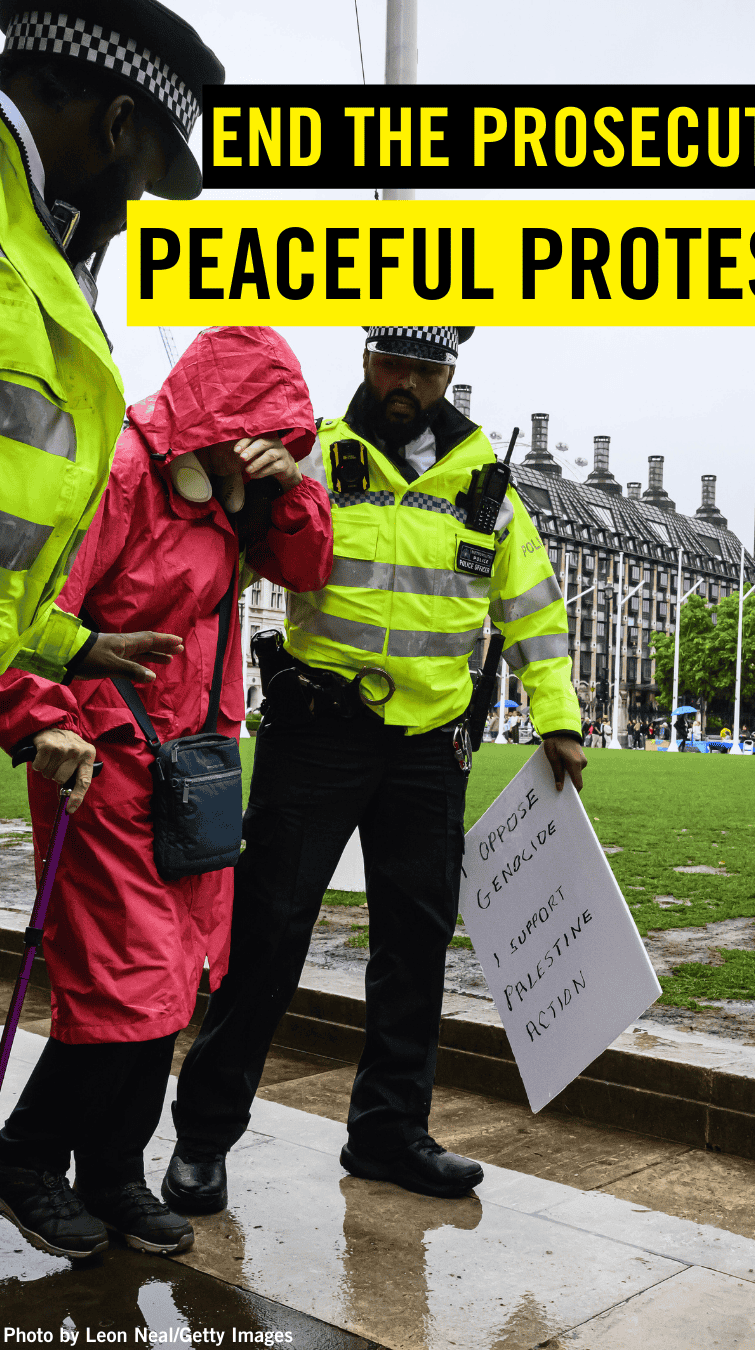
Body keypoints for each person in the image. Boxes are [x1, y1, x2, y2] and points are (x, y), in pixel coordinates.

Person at [165, 325, 587, 1213]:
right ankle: (203, 1137)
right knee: (268, 936)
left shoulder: (488, 484)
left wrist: (559, 720)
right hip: (318, 729)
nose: (408, 383)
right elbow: (228, 559)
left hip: (430, 747)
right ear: (366, 359)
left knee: (414, 948)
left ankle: (390, 1134)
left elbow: (535, 610)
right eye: (394, 362)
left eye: (428, 369)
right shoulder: (310, 452)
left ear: (451, 373)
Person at [0, 327, 333, 1261]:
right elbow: (25, 599)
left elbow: (307, 570)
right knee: (132, 982)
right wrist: (38, 717)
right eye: (252, 430)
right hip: (100, 763)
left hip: (197, 771)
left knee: (178, 980)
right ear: (213, 418)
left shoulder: (232, 493)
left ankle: (111, 1173)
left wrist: (288, 487)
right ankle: (25, 1158)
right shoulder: (117, 475)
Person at [0, 1, 224, 731]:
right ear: (116, 123)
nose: (132, 211)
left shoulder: (30, 247)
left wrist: (68, 644)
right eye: (142, 178)